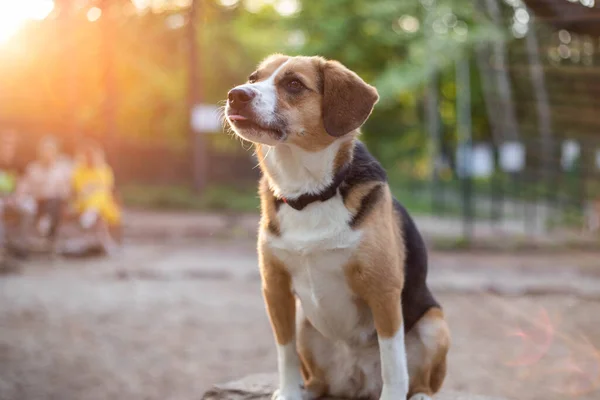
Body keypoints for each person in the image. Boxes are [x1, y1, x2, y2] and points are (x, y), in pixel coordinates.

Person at [16, 136, 73, 253]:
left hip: (55, 202)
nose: (47, 154)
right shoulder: (33, 168)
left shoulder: (61, 168)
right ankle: (46, 226)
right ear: (40, 152)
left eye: (50, 151)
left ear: (55, 152)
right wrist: (20, 196)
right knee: (47, 203)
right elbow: (24, 185)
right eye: (45, 151)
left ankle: (46, 224)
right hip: (37, 202)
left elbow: (66, 189)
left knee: (55, 201)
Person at [70, 142, 121, 255]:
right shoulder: (79, 170)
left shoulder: (104, 170)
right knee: (98, 201)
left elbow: (108, 188)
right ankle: (106, 242)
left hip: (105, 204)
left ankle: (91, 214)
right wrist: (92, 188)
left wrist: (93, 187)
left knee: (100, 196)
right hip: (84, 202)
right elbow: (79, 190)